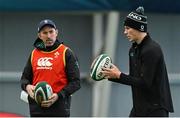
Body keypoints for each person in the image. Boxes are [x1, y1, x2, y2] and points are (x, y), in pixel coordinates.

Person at [102, 6, 174, 117]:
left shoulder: (152, 50)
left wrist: (119, 75)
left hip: (155, 110)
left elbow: (145, 83)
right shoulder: (133, 50)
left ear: (139, 28)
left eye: (127, 28)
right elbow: (134, 79)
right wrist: (110, 75)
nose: (125, 32)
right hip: (139, 109)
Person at [20, 19, 81, 117]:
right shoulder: (34, 54)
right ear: (39, 36)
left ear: (56, 32)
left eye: (51, 32)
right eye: (44, 33)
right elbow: (24, 79)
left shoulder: (66, 53)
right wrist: (27, 87)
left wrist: (57, 96)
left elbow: (76, 83)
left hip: (59, 110)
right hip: (36, 110)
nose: (48, 36)